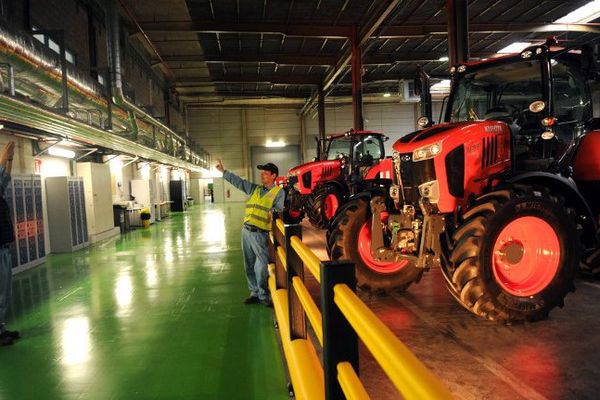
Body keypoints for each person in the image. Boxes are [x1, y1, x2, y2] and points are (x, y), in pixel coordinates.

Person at [216, 160, 284, 307]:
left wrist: (275, 213)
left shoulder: (279, 193)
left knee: (261, 267)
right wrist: (224, 172)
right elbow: (239, 182)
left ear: (274, 176)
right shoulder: (255, 189)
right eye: (262, 173)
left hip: (260, 234)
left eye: (265, 173)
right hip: (246, 232)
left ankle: (264, 296)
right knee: (249, 265)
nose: (262, 175)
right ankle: (254, 293)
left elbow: (280, 211)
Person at [0, 141, 19, 346]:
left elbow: (5, 177)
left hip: (4, 248)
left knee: (4, 292)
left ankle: (1, 328)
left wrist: (10, 158)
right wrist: (4, 155)